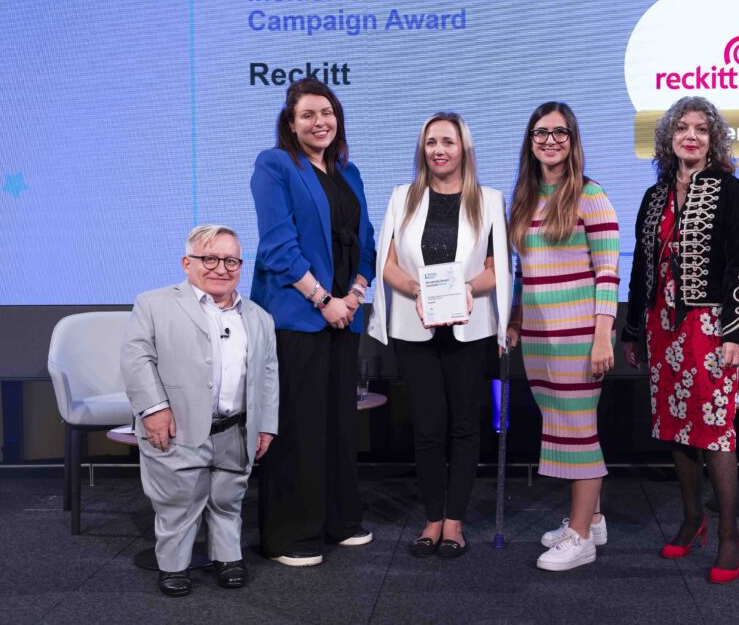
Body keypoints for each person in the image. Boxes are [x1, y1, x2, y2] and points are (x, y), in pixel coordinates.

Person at [622, 95, 739, 584]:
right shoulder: (654, 196)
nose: (691, 136)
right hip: (661, 324)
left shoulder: (731, 192)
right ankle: (692, 519)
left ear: (713, 139)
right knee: (676, 426)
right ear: (669, 138)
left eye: (701, 128)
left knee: (715, 427)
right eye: (682, 128)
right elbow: (640, 266)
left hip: (709, 324)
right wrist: (632, 328)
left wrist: (735, 332)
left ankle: (728, 535)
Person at [369, 112, 509, 559]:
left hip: (471, 329)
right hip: (416, 327)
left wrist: (465, 290)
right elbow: (387, 263)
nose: (438, 150)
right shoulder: (402, 198)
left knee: (466, 426)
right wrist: (418, 291)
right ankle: (432, 520)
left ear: (464, 148)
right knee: (428, 428)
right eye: (431, 142)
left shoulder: (488, 200)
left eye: (447, 141)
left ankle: (455, 522)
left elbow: (496, 269)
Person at [250, 77, 376, 567]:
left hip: (345, 316)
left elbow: (365, 239)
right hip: (298, 317)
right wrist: (325, 300)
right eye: (308, 115)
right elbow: (278, 245)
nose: (320, 122)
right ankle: (291, 536)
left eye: (327, 113)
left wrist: (356, 294)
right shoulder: (275, 164)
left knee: (339, 425)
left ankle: (338, 521)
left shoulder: (351, 171)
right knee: (298, 427)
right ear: (291, 122)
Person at [122, 225, 279, 597]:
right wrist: (154, 409)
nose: (220, 268)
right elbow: (136, 359)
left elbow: (268, 373)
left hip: (236, 428)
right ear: (187, 262)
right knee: (179, 500)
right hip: (177, 426)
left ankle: (228, 557)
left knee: (229, 497)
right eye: (209, 258)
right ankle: (174, 566)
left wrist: (265, 425)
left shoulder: (258, 316)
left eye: (230, 260)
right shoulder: (153, 303)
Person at [505, 102, 619, 572]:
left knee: (578, 434)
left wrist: (602, 336)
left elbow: (609, 273)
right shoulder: (525, 200)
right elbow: (522, 273)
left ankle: (579, 539)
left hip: (577, 337)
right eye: (540, 133)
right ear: (530, 142)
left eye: (559, 133)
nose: (549, 141)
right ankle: (590, 519)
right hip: (537, 336)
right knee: (561, 427)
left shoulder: (591, 196)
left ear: (572, 141)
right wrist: (513, 319)